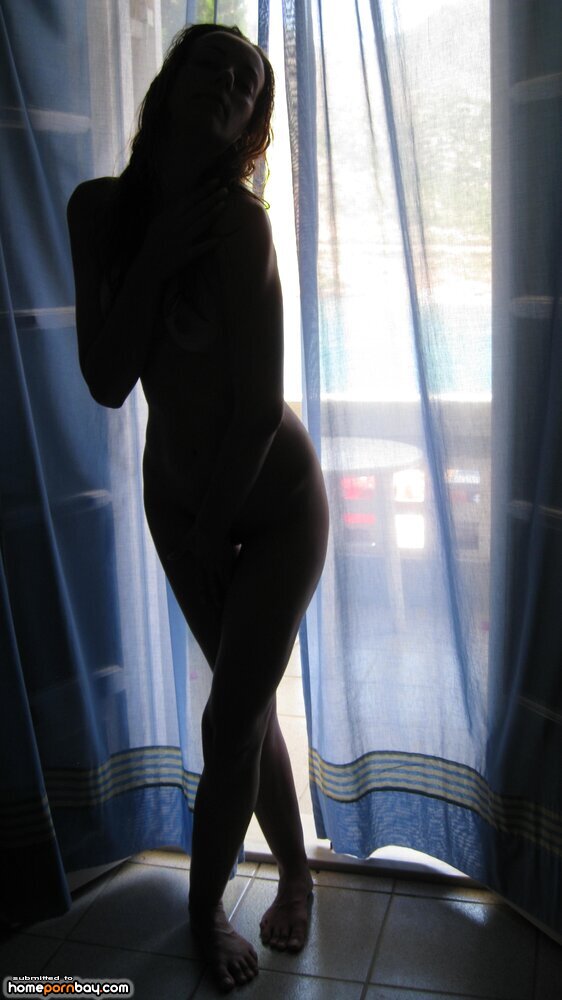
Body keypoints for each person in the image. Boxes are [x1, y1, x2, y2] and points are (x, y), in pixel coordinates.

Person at [67, 22, 329, 993]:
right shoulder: (99, 211)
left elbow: (258, 408)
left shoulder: (242, 226)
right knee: (243, 708)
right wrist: (153, 256)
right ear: (172, 84)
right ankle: (292, 871)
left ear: (250, 123)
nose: (227, 81)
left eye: (246, 81)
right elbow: (106, 380)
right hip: (179, 508)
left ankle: (205, 909)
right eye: (210, 64)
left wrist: (218, 529)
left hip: (275, 502)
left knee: (231, 714)